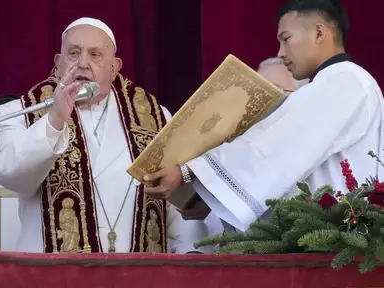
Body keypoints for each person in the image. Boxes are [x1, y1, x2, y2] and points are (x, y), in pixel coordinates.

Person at [144, 0, 384, 232]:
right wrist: (210, 197)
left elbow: (273, 147)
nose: (281, 52)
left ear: (319, 33)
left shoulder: (343, 81)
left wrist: (189, 171)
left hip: (330, 246)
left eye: (286, 39)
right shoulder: (341, 82)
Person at [0, 17, 222, 253]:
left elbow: (174, 202)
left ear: (114, 68)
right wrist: (55, 121)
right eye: (73, 53)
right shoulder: (19, 112)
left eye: (95, 54)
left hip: (139, 280)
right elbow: (11, 176)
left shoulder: (156, 117)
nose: (82, 63)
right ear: (58, 63)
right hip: (56, 282)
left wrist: (193, 253)